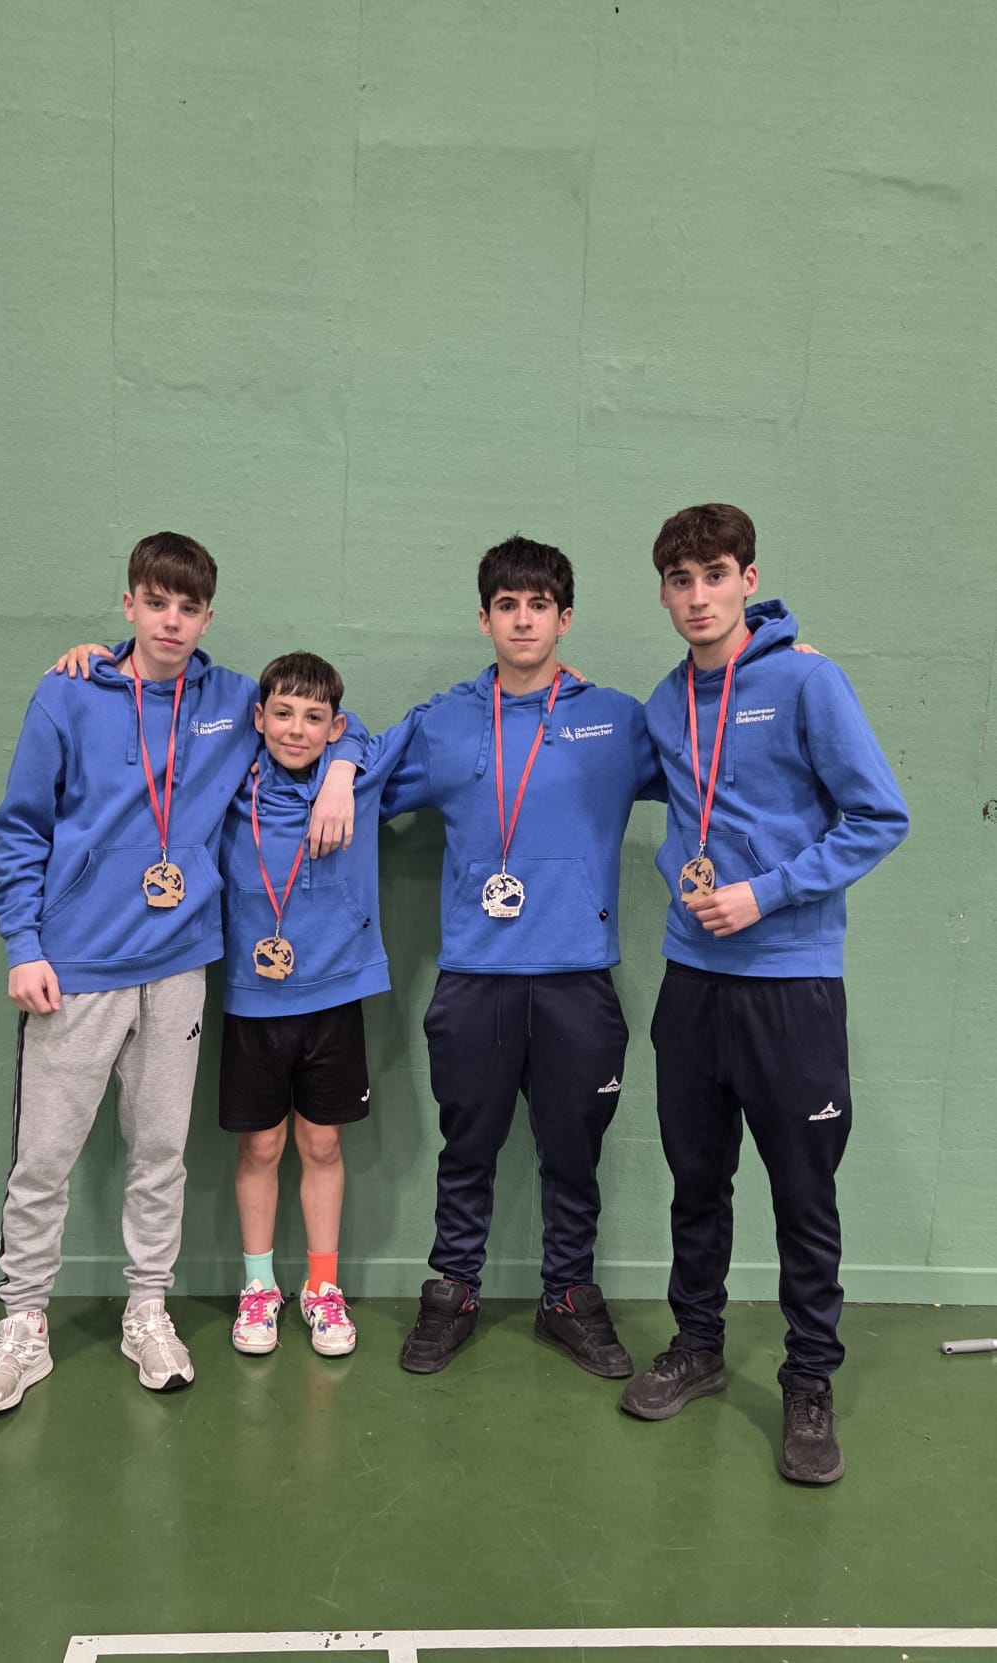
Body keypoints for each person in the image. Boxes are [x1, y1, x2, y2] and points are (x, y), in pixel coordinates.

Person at [0, 535, 362, 1416]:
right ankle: (22, 1324)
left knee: (159, 1154)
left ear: (207, 617)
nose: (171, 621)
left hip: (179, 968)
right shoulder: (70, 691)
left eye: (188, 607)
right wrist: (23, 944)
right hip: (76, 966)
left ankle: (147, 1308)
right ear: (130, 604)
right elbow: (20, 827)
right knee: (44, 1158)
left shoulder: (232, 701)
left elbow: (335, 717)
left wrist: (341, 766)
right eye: (156, 602)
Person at [619, 504, 909, 1484]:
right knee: (697, 1181)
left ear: (748, 578)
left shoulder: (807, 680)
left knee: (803, 1194)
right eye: (681, 580)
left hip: (790, 986)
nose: (698, 597)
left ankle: (809, 1379)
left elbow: (879, 816)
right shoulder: (666, 702)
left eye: (716, 575)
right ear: (664, 593)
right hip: (692, 983)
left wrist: (768, 892)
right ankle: (697, 1344)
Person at [379, 534, 665, 1378]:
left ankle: (567, 1296)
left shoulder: (616, 719)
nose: (524, 619)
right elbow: (349, 761)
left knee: (572, 1154)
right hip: (476, 978)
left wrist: (774, 661)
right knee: (466, 1148)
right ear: (485, 619)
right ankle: (453, 1291)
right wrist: (330, 780)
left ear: (564, 617)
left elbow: (711, 751)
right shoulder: (445, 721)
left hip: (577, 979)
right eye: (507, 604)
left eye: (540, 604)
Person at [218, 651, 434, 1361]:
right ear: (258, 717)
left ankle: (321, 1285)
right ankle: (259, 1286)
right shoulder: (230, 779)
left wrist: (342, 770)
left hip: (335, 997)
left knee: (321, 1144)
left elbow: (417, 723)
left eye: (315, 718)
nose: (296, 729)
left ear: (334, 727)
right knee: (261, 1146)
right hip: (253, 999)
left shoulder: (358, 780)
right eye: (282, 713)